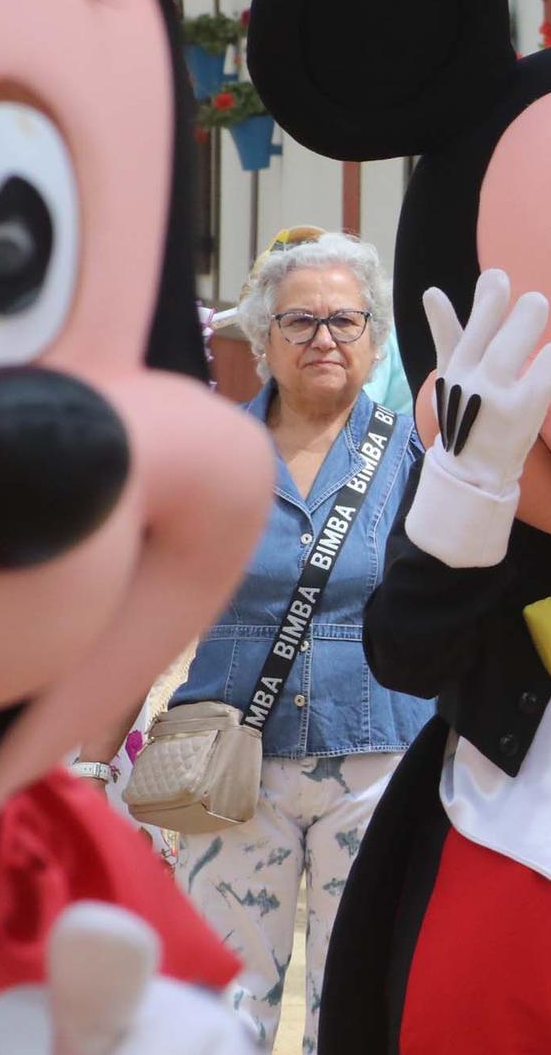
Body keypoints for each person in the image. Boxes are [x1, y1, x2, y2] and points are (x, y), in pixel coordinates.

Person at [83, 230, 428, 1053]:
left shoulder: (419, 454)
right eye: (299, 321)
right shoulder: (210, 457)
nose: (324, 340)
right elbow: (151, 609)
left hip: (380, 758)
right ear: (264, 338)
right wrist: (95, 766)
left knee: (359, 994)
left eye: (346, 321)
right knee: (222, 1002)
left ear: (375, 338)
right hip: (226, 771)